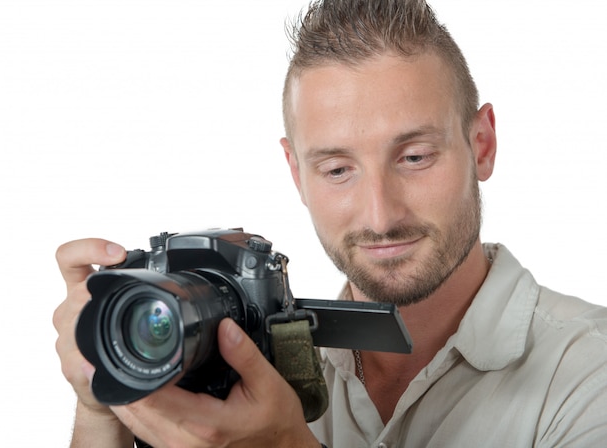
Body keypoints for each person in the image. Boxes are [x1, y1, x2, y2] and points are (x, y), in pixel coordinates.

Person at [53, 0, 607, 446]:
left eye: (414, 157)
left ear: (481, 144)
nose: (380, 214)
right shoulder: (245, 364)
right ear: (296, 172)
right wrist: (101, 408)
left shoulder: (588, 372)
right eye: (338, 169)